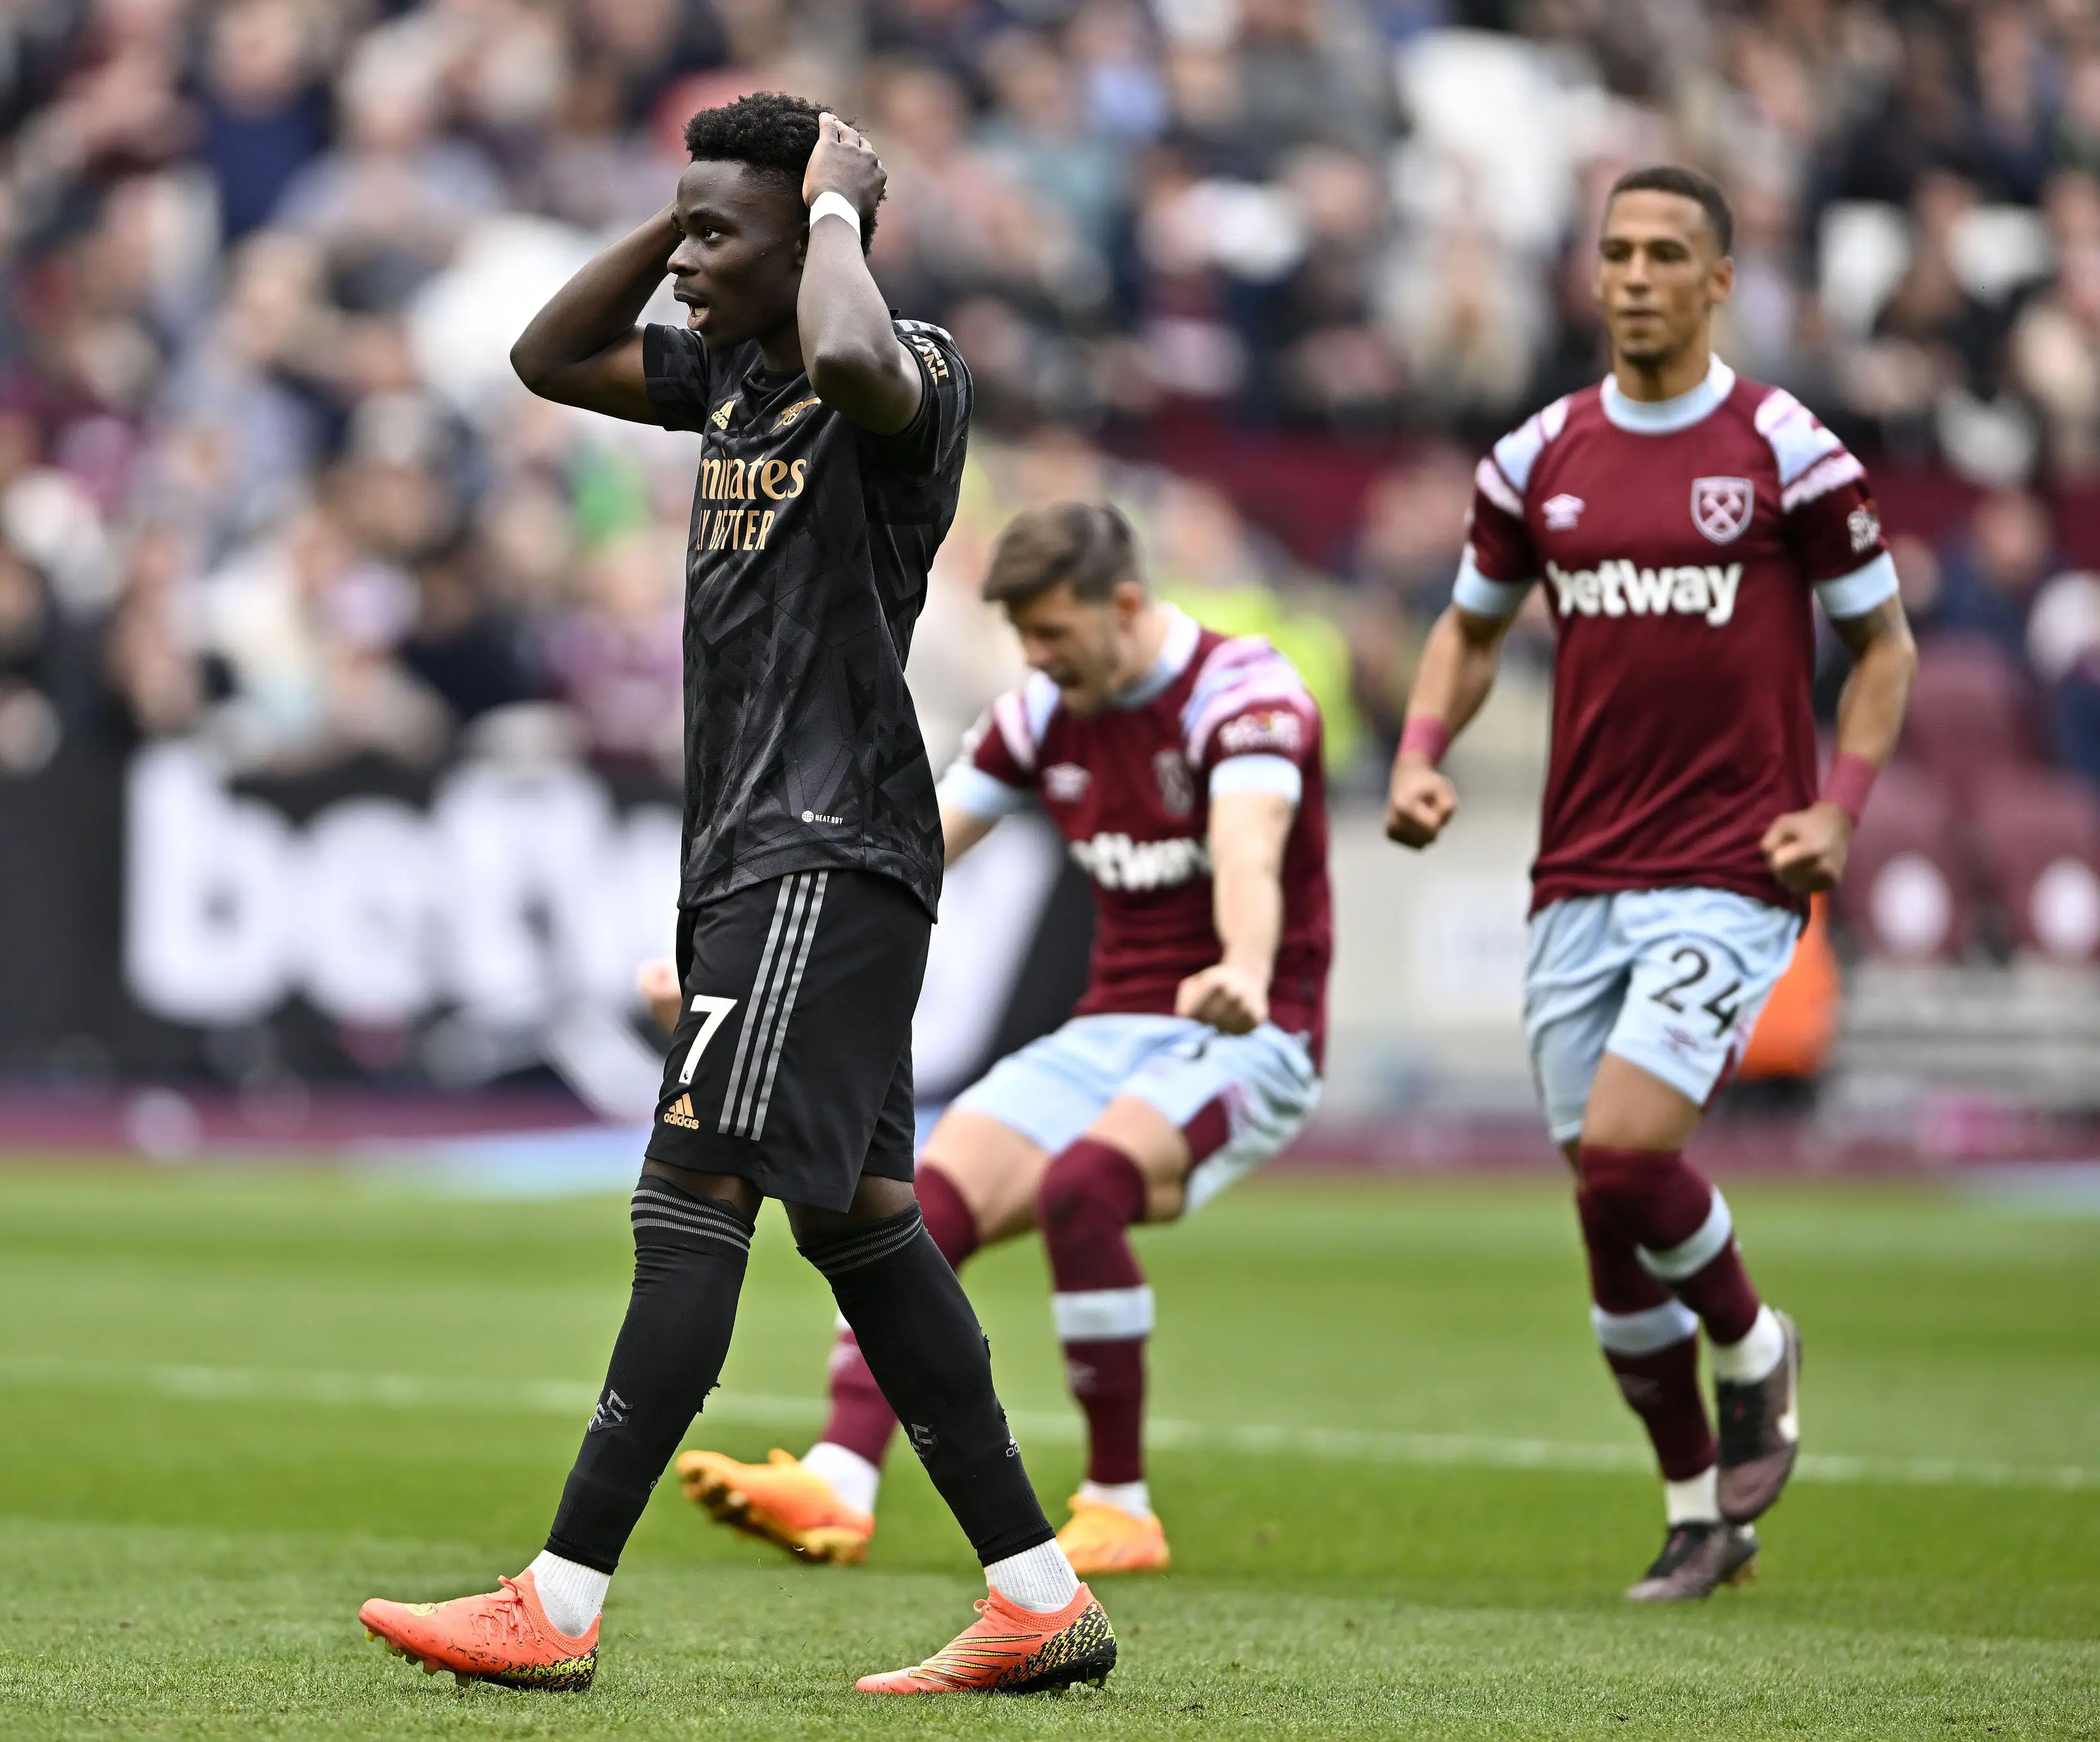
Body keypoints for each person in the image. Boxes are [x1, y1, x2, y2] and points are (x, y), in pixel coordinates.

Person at [355, 93, 1116, 1699]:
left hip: (825, 849)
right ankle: (1040, 1596)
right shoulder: (727, 373)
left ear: (812, 240)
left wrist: (830, 215)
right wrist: (688, 218)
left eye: (720, 237)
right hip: (748, 859)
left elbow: (852, 359)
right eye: (683, 234)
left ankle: (556, 1598)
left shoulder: (901, 374)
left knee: (690, 1192)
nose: (686, 268)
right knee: (867, 1230)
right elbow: (545, 359)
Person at [1383, 165, 1918, 1602]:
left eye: (1666, 252)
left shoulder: (1788, 451)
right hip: (1578, 872)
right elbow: (1469, 627)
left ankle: (1754, 1344)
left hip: (1730, 867)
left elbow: (1886, 650)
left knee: (1627, 1153)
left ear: (1721, 281)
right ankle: (1701, 1514)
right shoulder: (1537, 456)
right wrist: (1426, 749)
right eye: (1614, 251)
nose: (1633, 275)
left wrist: (1839, 812)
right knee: (1603, 1205)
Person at [665, 499, 1331, 1579]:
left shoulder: (1242, 692)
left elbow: (1248, 850)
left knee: (1085, 1187)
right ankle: (840, 1480)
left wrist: (1244, 968)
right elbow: (915, 850)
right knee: (919, 1203)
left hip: (1248, 1028)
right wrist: (736, 967)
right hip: (1109, 1029)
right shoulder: (1042, 712)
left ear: (1124, 604)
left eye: (1054, 631)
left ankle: (1120, 1504)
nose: (1037, 656)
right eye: (1024, 635)